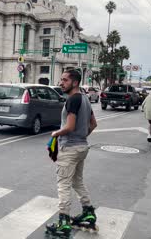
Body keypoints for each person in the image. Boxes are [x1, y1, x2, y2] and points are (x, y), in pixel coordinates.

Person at [46, 69, 98, 237]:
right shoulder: (85, 99)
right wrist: (81, 138)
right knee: (77, 182)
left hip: (69, 148)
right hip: (82, 147)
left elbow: (69, 127)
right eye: (61, 79)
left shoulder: (72, 100)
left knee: (63, 185)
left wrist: (56, 134)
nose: (61, 83)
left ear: (74, 82)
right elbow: (93, 124)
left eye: (65, 80)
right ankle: (88, 212)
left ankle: (63, 223)